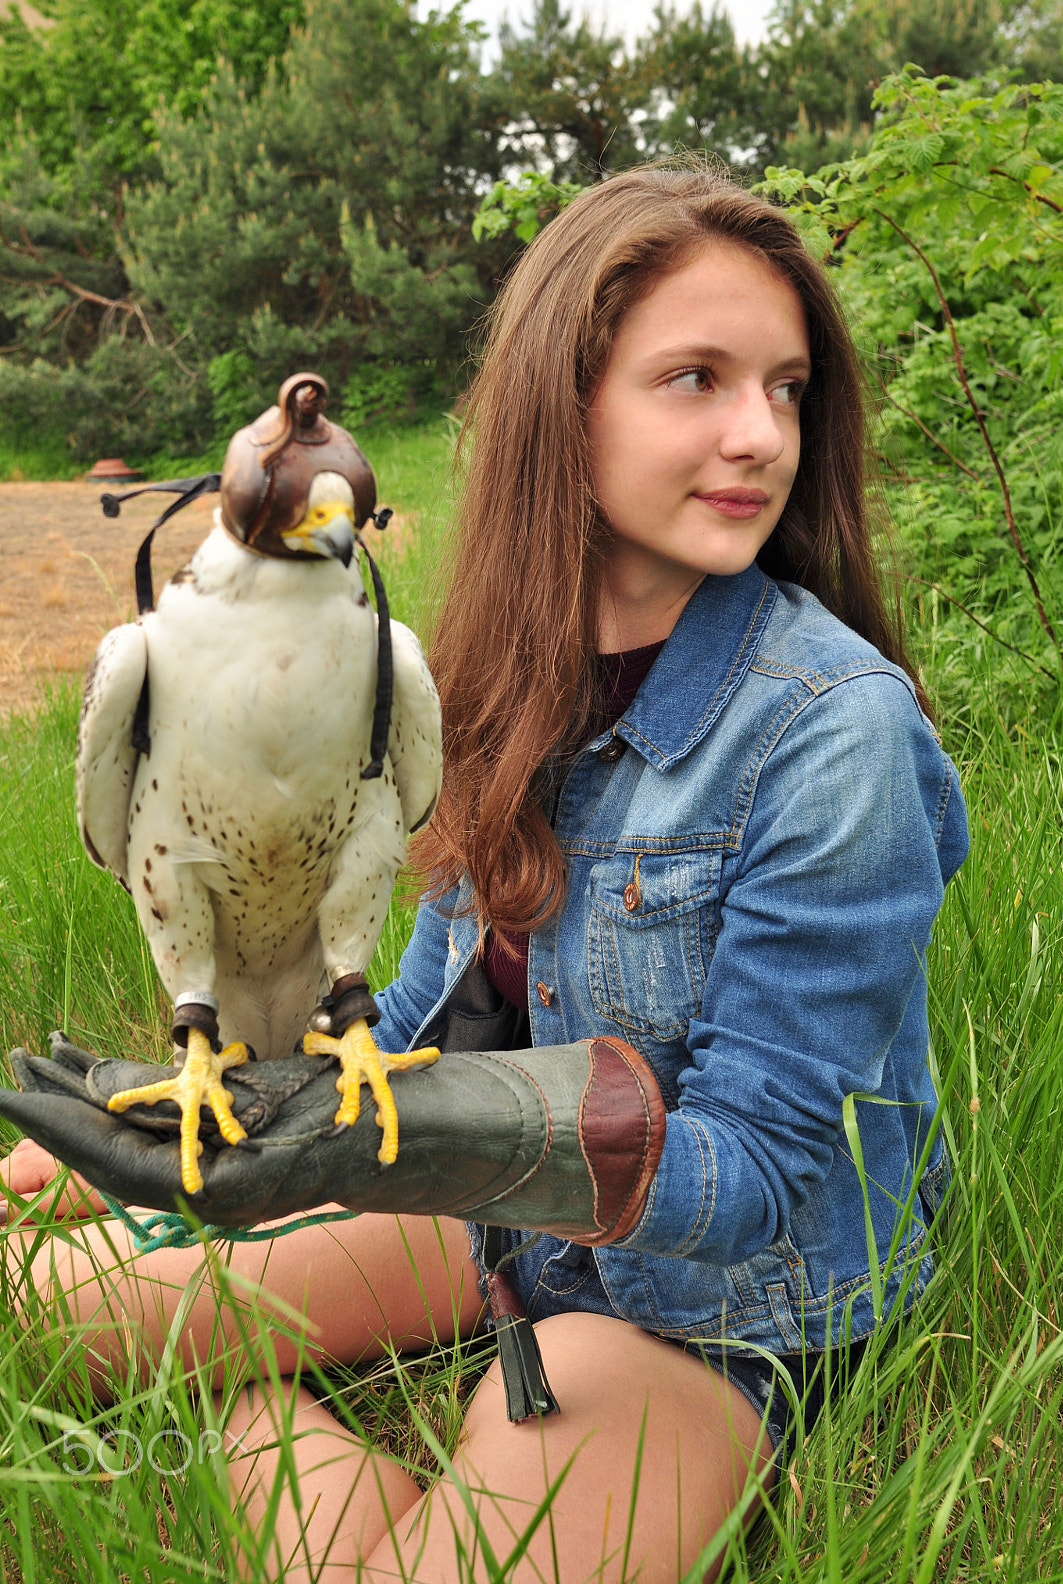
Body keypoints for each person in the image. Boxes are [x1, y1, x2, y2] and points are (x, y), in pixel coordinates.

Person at [2, 163, 968, 1583]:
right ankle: (269, 1355)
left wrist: (377, 1163)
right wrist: (209, 1134)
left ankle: (261, 1407)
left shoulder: (835, 732)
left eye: (786, 385)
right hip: (484, 1218)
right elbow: (417, 1017)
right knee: (41, 1304)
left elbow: (759, 1170)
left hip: (711, 1305)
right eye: (694, 379)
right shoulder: (490, 679)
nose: (759, 433)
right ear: (556, 412)